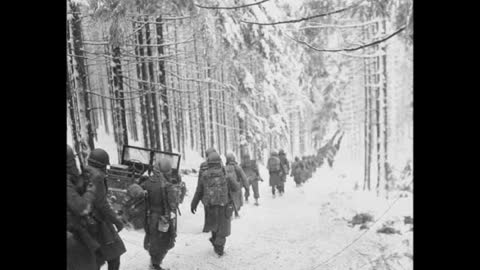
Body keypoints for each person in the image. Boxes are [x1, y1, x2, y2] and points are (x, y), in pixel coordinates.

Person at [129, 158, 184, 270]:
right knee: (165, 241)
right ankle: (155, 264)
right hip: (162, 217)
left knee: (154, 239)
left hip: (149, 217)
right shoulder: (167, 185)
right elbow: (173, 204)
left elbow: (137, 190)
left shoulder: (149, 181)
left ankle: (154, 261)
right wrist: (178, 191)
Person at [190, 152, 240, 256]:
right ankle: (219, 248)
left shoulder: (204, 175)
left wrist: (193, 204)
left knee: (214, 225)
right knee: (223, 228)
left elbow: (199, 191)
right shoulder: (226, 174)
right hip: (224, 206)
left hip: (210, 207)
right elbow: (236, 188)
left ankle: (214, 239)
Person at [84, 149, 126, 270]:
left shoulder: (84, 172)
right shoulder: (97, 177)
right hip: (98, 223)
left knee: (95, 258)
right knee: (114, 255)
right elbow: (102, 205)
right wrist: (117, 221)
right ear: (102, 165)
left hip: (86, 221)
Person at [67, 145, 102, 270]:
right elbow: (82, 208)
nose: (74, 164)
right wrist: (91, 190)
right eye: (72, 161)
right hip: (73, 234)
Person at [198, 147, 217, 233]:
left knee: (207, 209)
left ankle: (207, 227)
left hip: (205, 191)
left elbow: (200, 180)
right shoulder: (218, 163)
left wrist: (199, 193)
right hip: (216, 191)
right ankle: (214, 227)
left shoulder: (202, 165)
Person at [225, 152, 249, 217]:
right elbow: (244, 178)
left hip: (227, 188)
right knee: (237, 200)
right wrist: (247, 188)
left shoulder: (224, 168)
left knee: (230, 200)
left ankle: (231, 213)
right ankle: (236, 213)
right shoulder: (237, 167)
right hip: (236, 187)